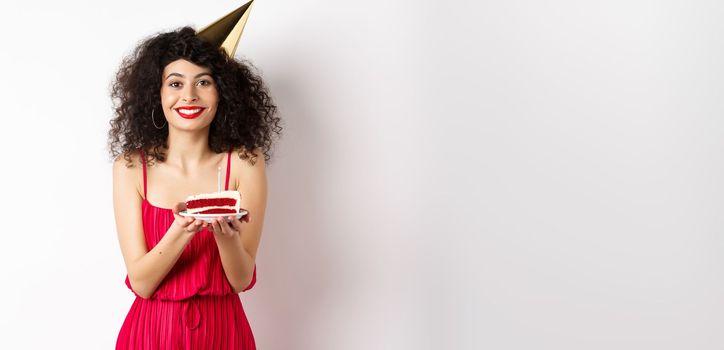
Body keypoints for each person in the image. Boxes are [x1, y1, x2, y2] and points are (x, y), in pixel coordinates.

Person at [107, 15, 281, 349]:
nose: (189, 96)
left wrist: (224, 235)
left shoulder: (245, 163)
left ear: (222, 93)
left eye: (203, 82)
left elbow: (241, 279)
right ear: (156, 94)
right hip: (151, 333)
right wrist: (182, 228)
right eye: (175, 83)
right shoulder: (131, 167)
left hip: (224, 332)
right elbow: (142, 283)